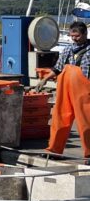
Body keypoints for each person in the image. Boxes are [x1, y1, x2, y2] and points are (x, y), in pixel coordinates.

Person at [43, 21, 90, 156]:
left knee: (86, 121)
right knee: (60, 118)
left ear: (85, 34)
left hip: (85, 91)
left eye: (77, 36)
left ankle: (89, 153)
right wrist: (44, 79)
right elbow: (57, 68)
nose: (74, 39)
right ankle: (54, 150)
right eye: (72, 36)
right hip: (65, 89)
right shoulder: (68, 49)